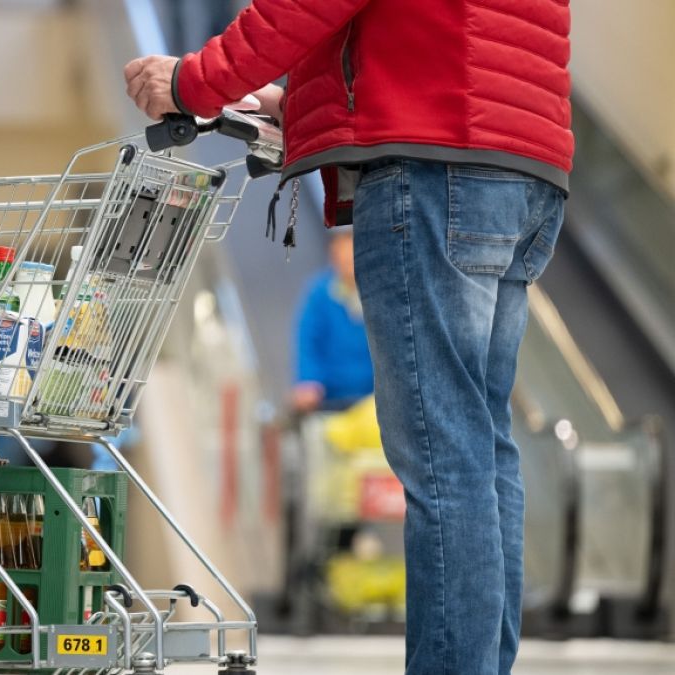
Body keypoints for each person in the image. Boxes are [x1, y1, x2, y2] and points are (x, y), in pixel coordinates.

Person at [124, 3, 572, 674]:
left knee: (444, 454)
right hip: (523, 164)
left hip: (433, 164)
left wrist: (195, 82)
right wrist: (297, 105)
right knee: (480, 449)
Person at [291, 229, 372, 413]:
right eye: (342, 258)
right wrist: (308, 380)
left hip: (375, 395)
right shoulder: (319, 293)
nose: (348, 264)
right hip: (331, 398)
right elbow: (307, 341)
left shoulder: (381, 292)